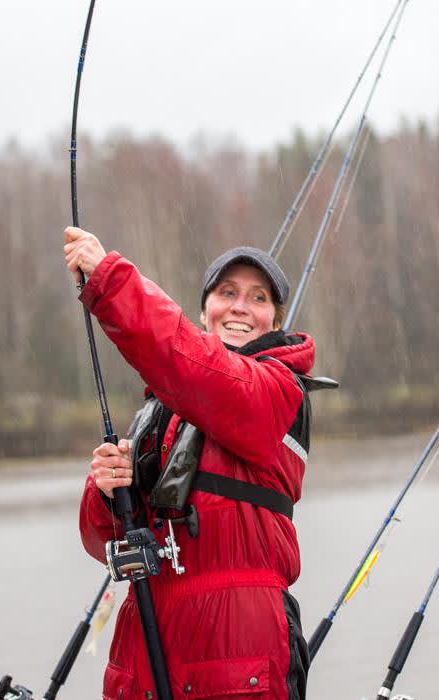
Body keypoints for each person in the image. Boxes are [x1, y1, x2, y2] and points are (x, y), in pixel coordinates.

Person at [64, 226, 331, 700]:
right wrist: (107, 492)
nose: (241, 307)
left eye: (258, 297)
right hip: (148, 647)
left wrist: (111, 283)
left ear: (275, 319)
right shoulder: (159, 410)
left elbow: (194, 364)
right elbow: (102, 540)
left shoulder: (277, 391)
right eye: (227, 293)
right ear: (205, 309)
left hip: (236, 650)